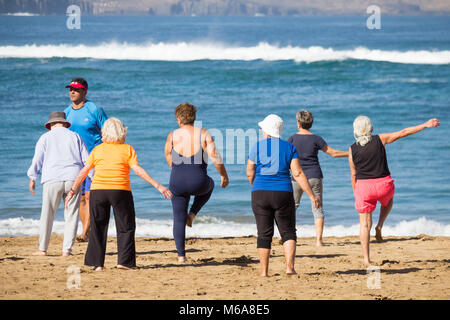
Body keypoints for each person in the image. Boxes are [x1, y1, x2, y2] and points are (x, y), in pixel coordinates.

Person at [65, 117, 172, 271]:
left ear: (105, 132)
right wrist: (158, 186)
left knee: (98, 227)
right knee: (126, 227)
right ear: (122, 131)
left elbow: (84, 171)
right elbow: (137, 170)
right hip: (120, 191)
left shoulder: (97, 149)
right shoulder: (127, 149)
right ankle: (125, 262)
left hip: (98, 191)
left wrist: (73, 190)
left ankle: (97, 264)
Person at [348, 116, 440, 265]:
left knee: (364, 224)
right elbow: (403, 132)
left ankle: (366, 259)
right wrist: (425, 125)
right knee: (388, 200)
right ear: (371, 128)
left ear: (355, 130)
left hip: (363, 188)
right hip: (384, 185)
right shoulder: (380, 139)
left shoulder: (352, 149)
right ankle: (380, 225)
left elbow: (353, 174)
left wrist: (356, 192)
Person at [247, 114, 321, 277]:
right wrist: (311, 195)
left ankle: (264, 272)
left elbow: (249, 172)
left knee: (264, 233)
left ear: (266, 130)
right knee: (288, 231)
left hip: (259, 193)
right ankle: (289, 268)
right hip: (283, 193)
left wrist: (256, 187)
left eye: (262, 128)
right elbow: (298, 173)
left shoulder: (256, 146)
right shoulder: (289, 147)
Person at [164, 103, 229, 263]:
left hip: (177, 181)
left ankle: (181, 256)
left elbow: (167, 155)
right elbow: (214, 156)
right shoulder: (204, 134)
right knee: (211, 184)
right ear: (194, 117)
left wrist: (178, 169)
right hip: (198, 182)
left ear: (178, 119)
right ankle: (192, 214)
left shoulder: (172, 136)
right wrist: (224, 175)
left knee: (178, 218)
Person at [27, 111, 89, 257]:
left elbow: (37, 160)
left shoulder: (45, 137)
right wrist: (91, 176)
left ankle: (43, 249)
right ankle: (66, 250)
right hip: (73, 178)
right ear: (64, 123)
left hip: (52, 179)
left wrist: (32, 177)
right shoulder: (75, 136)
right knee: (71, 215)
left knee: (47, 214)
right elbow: (86, 160)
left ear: (51, 124)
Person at [288, 110, 348, 247]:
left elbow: (286, 158)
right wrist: (350, 153)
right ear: (311, 123)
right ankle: (318, 241)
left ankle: (289, 236)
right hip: (314, 176)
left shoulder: (292, 139)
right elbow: (333, 153)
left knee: (291, 208)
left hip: (297, 178)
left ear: (298, 123)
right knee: (317, 207)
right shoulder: (316, 139)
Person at [64, 77, 108, 242]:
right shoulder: (66, 112)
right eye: (70, 89)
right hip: (75, 162)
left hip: (93, 160)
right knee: (81, 197)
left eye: (76, 89)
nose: (72, 92)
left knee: (90, 196)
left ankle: (85, 233)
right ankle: (86, 231)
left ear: (85, 91)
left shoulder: (94, 109)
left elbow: (108, 131)